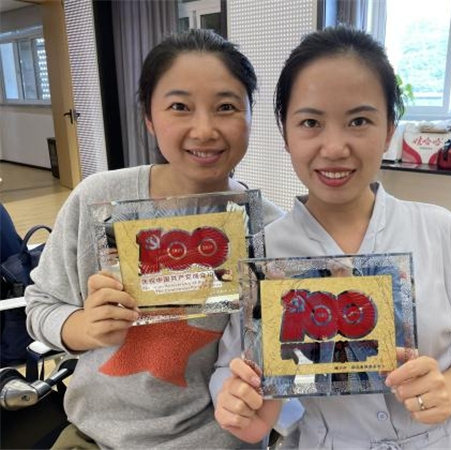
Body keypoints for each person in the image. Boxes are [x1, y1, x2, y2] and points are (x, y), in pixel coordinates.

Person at [215, 26, 451, 449]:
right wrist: (236, 399)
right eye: (311, 122)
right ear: (285, 132)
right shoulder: (263, 254)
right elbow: (233, 370)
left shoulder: (439, 231)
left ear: (390, 128)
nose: (335, 147)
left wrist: (447, 391)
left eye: (359, 121)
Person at [25, 29, 283, 449]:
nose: (204, 130)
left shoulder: (273, 231)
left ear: (251, 115)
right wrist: (82, 327)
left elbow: (284, 358)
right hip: (95, 436)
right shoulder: (98, 198)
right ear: (149, 117)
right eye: (180, 107)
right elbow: (41, 304)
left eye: (226, 107)